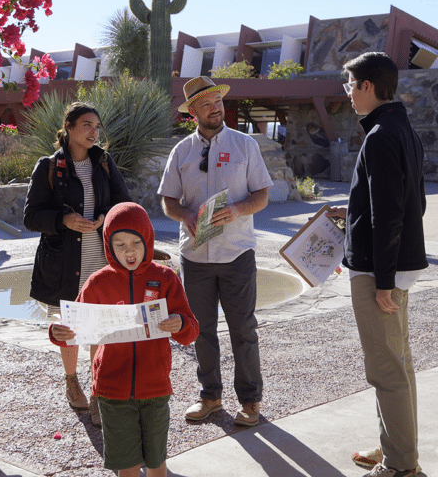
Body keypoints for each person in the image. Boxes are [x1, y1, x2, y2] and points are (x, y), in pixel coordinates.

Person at [327, 52, 426, 477]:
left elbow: (392, 213)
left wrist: (383, 280)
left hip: (378, 273)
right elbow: (409, 203)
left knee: (387, 370)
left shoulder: (381, 134)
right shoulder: (401, 129)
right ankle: (395, 450)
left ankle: (401, 467)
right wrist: (350, 214)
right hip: (390, 266)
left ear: (368, 86)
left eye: (350, 85)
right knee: (397, 364)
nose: (347, 94)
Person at [50, 202, 199, 477]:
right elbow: (73, 327)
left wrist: (180, 324)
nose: (129, 251)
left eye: (135, 242)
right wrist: (58, 331)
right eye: (119, 244)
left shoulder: (165, 277)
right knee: (127, 467)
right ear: (108, 245)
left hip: (155, 387)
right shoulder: (97, 282)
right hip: (112, 390)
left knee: (156, 463)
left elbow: (191, 330)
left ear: (148, 240)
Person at [158, 76, 273, 425]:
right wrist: (186, 214)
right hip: (194, 257)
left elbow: (262, 196)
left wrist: (237, 210)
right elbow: (167, 202)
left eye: (218, 102)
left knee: (243, 330)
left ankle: (250, 402)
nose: (215, 108)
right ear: (192, 111)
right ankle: (210, 397)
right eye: (206, 104)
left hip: (237, 253)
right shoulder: (181, 152)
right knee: (200, 330)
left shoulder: (245, 145)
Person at [23, 102, 131, 425]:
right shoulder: (47, 167)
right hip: (62, 264)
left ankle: (99, 391)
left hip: (100, 261)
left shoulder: (105, 163)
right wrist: (64, 220)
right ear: (69, 127)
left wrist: (107, 216)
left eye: (97, 126)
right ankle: (72, 380)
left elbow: (125, 204)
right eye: (87, 125)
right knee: (69, 330)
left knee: (98, 327)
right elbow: (30, 217)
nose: (94, 132)